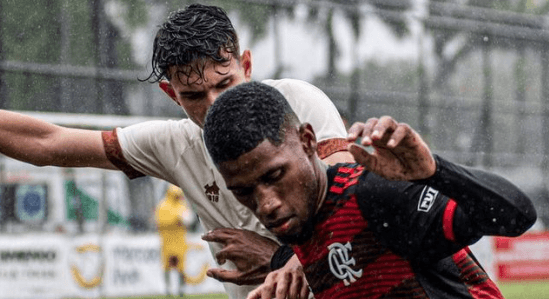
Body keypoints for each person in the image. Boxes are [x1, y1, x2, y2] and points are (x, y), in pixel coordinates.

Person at [0, 4, 352, 298]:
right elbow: (48, 143)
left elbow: (348, 202)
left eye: (224, 83)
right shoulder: (173, 144)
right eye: (195, 96)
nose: (214, 106)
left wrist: (281, 260)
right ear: (172, 95)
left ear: (246, 65)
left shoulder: (296, 101)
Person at [202, 81, 538, 299]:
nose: (266, 204)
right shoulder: (304, 236)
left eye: (275, 175)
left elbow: (516, 216)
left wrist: (436, 171)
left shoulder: (373, 196)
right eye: (244, 191)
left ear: (307, 141)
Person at [154, 184, 196, 297]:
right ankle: (167, 288)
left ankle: (181, 289)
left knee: (181, 266)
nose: (178, 197)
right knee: (167, 265)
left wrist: (182, 221)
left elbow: (189, 220)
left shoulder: (182, 206)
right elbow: (160, 222)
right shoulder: (163, 206)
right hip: (167, 240)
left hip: (180, 241)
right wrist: (175, 220)